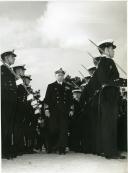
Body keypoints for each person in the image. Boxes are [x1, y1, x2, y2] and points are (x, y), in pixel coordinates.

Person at [44, 68, 74, 154]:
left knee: (63, 130)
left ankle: (62, 149)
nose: (60, 77)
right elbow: (47, 99)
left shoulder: (68, 86)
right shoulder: (51, 86)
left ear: (63, 76)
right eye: (58, 75)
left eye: (62, 75)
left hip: (64, 111)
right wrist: (46, 110)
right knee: (53, 129)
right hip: (54, 112)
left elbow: (71, 99)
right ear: (55, 76)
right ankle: (53, 146)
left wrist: (71, 109)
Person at [1, 50, 17, 159]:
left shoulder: (10, 70)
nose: (14, 59)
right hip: (5, 102)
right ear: (6, 57)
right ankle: (4, 151)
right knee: (5, 126)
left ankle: (7, 149)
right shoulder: (2, 69)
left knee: (9, 127)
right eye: (12, 57)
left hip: (11, 102)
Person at [13, 65, 27, 156]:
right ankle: (16, 148)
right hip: (17, 106)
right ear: (17, 70)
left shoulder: (20, 79)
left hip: (21, 107)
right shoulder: (15, 79)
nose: (23, 71)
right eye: (22, 70)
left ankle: (20, 147)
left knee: (20, 128)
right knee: (16, 128)